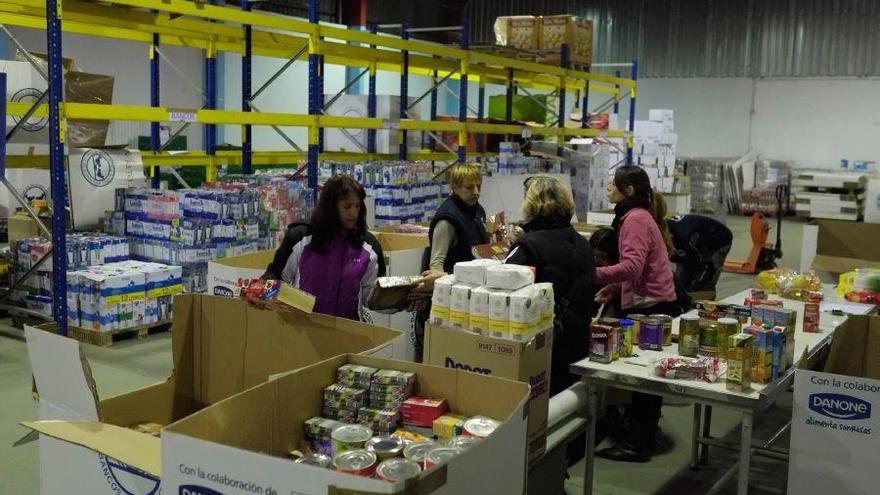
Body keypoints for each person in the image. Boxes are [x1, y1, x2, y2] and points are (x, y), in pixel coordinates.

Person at [594, 165, 681, 463]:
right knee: (647, 375)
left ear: (628, 190)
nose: (607, 188)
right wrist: (616, 289)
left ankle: (637, 444)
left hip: (650, 307)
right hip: (652, 302)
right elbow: (638, 268)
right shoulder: (638, 215)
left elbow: (632, 267)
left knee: (643, 378)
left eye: (612, 184)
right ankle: (642, 435)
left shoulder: (634, 220)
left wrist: (591, 274)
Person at [504, 175, 594, 397]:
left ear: (531, 204)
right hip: (579, 340)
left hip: (544, 347)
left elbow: (503, 289)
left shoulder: (528, 246)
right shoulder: (582, 243)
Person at [275, 175, 383, 321]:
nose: (353, 213)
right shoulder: (301, 237)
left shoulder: (368, 246)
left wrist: (397, 299)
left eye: (357, 206)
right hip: (302, 331)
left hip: (348, 333)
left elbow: (370, 293)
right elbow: (277, 277)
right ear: (330, 207)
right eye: (347, 206)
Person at [422, 163, 489, 278]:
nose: (476, 192)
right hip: (456, 284)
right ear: (455, 187)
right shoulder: (447, 219)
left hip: (475, 280)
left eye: (479, 186)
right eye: (469, 187)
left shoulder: (478, 209)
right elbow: (436, 265)